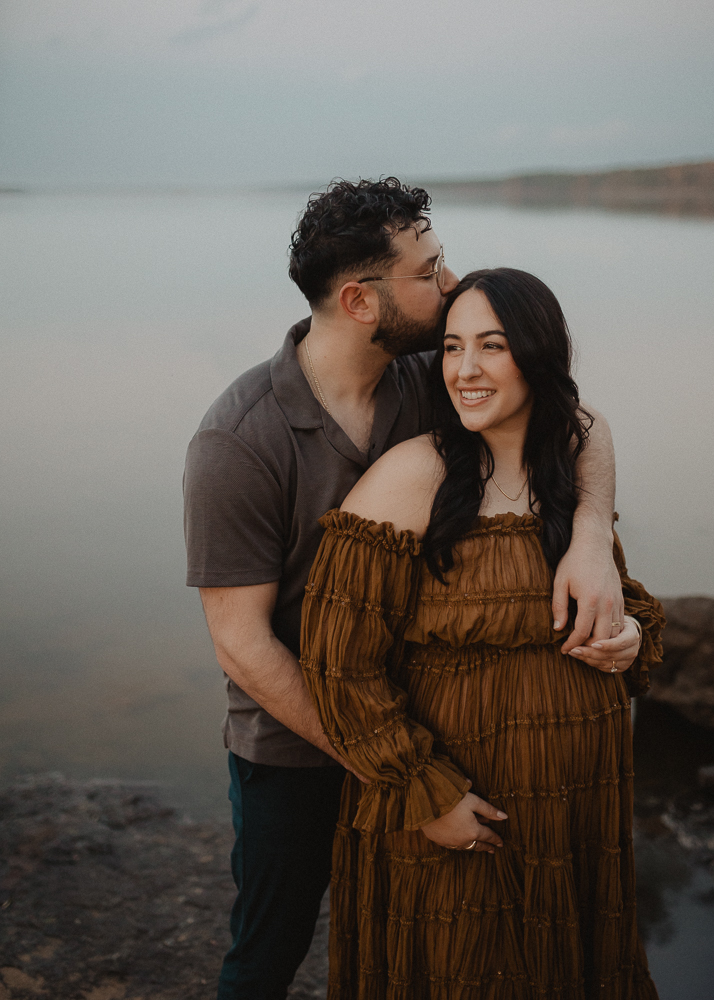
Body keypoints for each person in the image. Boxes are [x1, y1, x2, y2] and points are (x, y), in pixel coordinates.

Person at [183, 180, 625, 1000]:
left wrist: (593, 536)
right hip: (295, 744)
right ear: (360, 299)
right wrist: (399, 776)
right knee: (269, 948)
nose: (449, 282)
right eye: (428, 272)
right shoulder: (238, 441)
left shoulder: (432, 375)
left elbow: (577, 422)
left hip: (422, 719)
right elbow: (242, 644)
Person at [300, 267, 664, 1000]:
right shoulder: (411, 478)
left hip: (574, 811)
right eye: (454, 346)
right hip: (462, 810)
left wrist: (628, 638)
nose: (464, 370)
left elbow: (624, 609)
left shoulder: (569, 478)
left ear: (537, 355)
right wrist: (427, 796)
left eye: (491, 347)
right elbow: (338, 665)